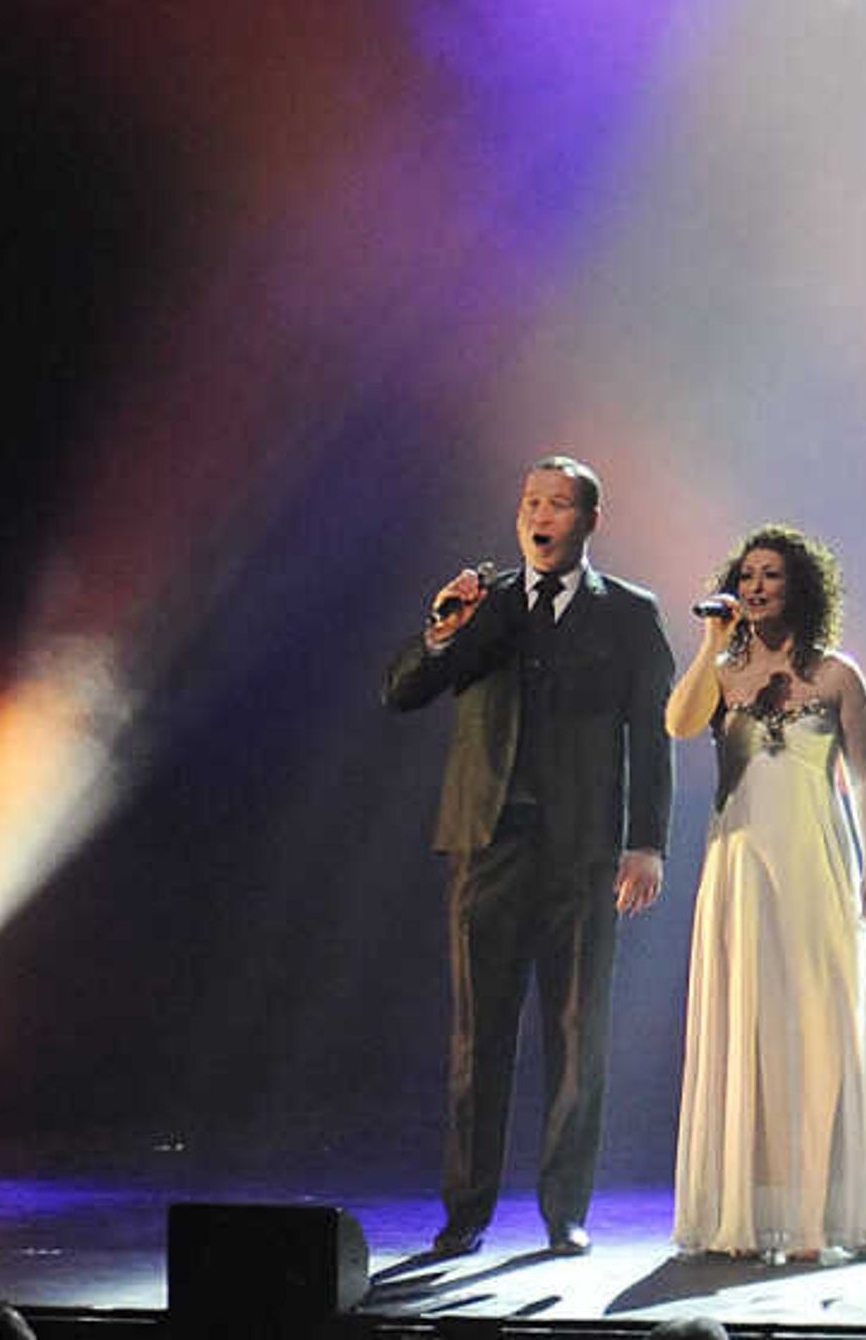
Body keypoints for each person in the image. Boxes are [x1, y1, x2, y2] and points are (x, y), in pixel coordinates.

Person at [382, 452, 675, 1257]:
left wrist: (647, 842)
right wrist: (442, 631)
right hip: (488, 843)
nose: (540, 517)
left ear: (588, 521)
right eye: (530, 503)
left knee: (579, 1033)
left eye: (558, 504)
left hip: (584, 853)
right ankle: (467, 1211)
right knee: (481, 1035)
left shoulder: (629, 614)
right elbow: (403, 690)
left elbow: (653, 737)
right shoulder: (488, 604)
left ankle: (563, 1211)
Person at [664, 525, 866, 1262]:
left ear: (799, 587)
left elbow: (864, 777)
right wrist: (713, 644)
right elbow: (677, 723)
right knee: (747, 1022)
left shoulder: (836, 676)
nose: (757, 586)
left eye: (771, 575)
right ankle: (743, 1208)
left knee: (815, 1021)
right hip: (739, 862)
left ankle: (815, 1216)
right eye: (748, 575)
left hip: (815, 857)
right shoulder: (724, 673)